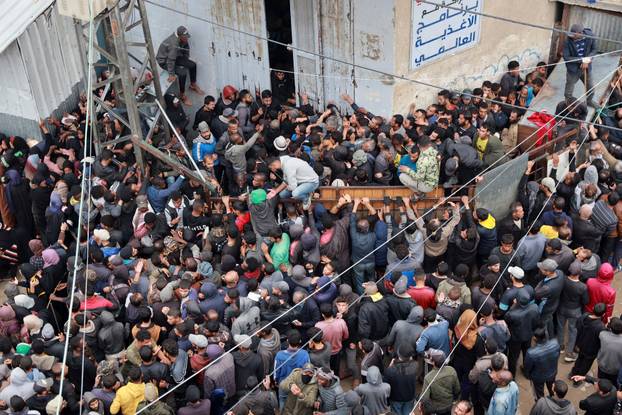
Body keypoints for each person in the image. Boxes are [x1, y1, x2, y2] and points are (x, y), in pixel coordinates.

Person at [156, 26, 204, 105]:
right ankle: (182, 95)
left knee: (192, 65)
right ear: (180, 36)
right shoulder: (173, 44)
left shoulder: (183, 39)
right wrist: (171, 74)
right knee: (182, 73)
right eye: (185, 37)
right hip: (165, 61)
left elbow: (186, 49)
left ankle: (193, 85)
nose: (187, 39)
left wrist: (185, 60)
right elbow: (170, 60)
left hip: (175, 56)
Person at [563, 23, 597, 107]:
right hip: (573, 69)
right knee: (568, 91)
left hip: (586, 68)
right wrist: (582, 60)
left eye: (574, 35)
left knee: (590, 87)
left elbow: (594, 49)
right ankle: (568, 104)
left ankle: (589, 101)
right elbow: (566, 57)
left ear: (580, 33)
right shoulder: (567, 41)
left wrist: (587, 60)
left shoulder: (590, 36)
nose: (571, 36)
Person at [524, 328, 561, 401]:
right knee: (552, 390)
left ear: (534, 338)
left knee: (539, 395)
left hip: (537, 378)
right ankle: (554, 401)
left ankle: (541, 406)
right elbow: (558, 355)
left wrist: (528, 376)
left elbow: (527, 368)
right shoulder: (555, 343)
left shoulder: (531, 353)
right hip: (552, 373)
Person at [421, 350, 460, 415]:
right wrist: (454, 399)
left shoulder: (428, 377)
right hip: (449, 405)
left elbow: (424, 399)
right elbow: (457, 389)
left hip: (436, 409)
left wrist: (428, 410)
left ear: (433, 362)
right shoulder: (451, 370)